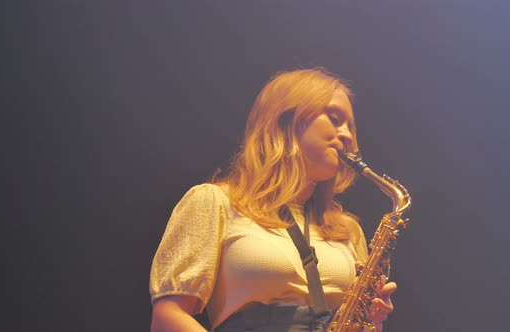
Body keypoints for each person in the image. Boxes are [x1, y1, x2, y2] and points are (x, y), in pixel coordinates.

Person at [149, 68, 397, 331]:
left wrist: (372, 320)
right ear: (287, 120)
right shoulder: (215, 201)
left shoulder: (348, 231)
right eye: (335, 119)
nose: (347, 136)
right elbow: (168, 317)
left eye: (350, 126)